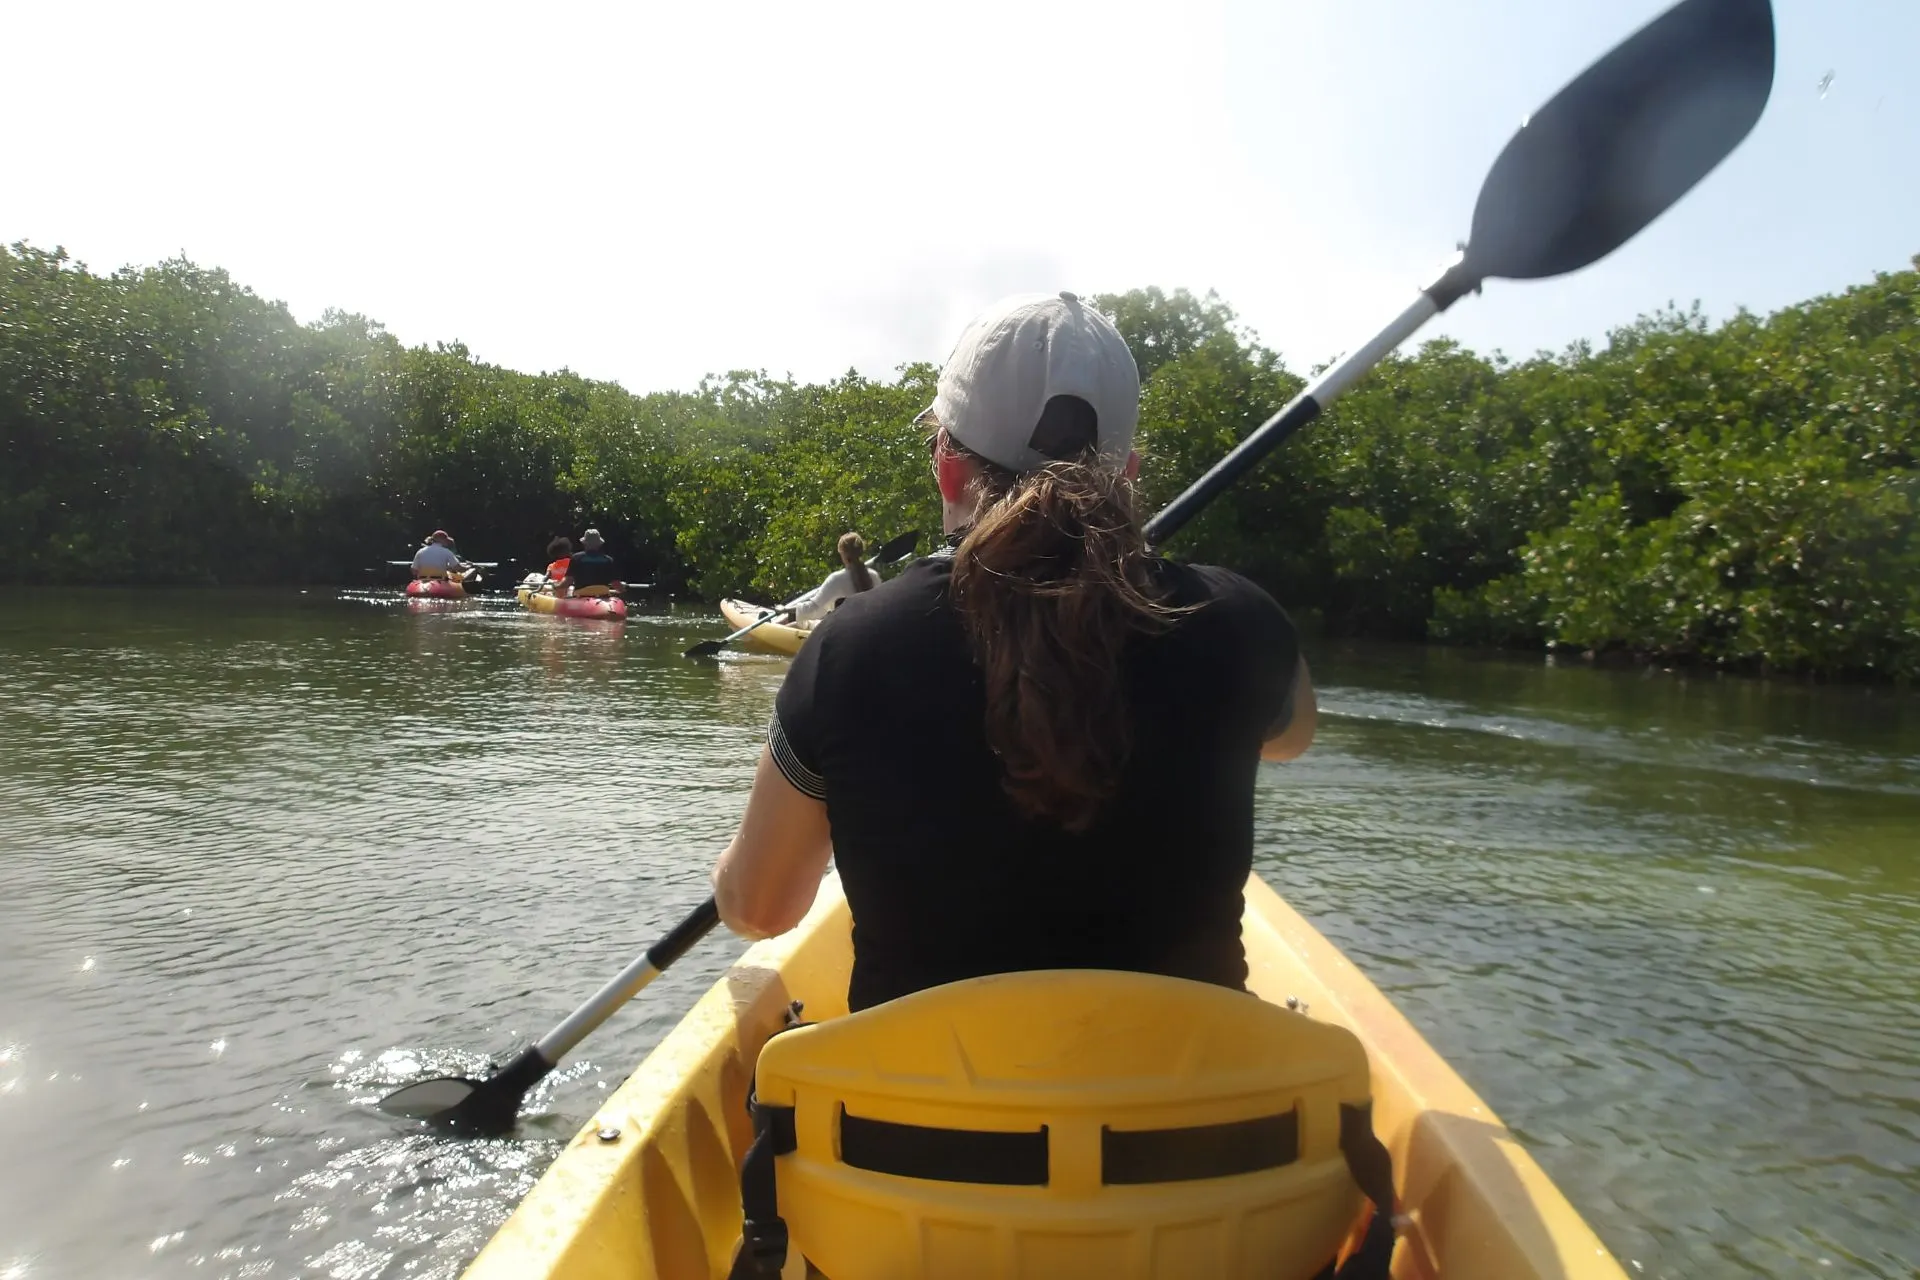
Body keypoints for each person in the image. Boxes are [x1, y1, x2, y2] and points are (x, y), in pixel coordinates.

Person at [710, 292, 1316, 1012]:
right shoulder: (1243, 622)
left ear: (947, 465)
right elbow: (1291, 739)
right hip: (1193, 1119)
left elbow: (759, 911)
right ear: (1128, 474)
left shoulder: (851, 647)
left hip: (918, 1123)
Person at [789, 532, 877, 626]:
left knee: (795, 626)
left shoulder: (836, 579)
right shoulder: (874, 576)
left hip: (846, 631)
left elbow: (814, 609)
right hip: (872, 627)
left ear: (842, 553)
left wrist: (785, 610)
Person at [559, 528, 622, 596]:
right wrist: (623, 589)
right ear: (599, 544)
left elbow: (568, 582)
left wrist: (556, 586)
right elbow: (616, 584)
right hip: (603, 596)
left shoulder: (576, 558)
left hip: (581, 596)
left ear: (585, 543)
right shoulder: (608, 560)